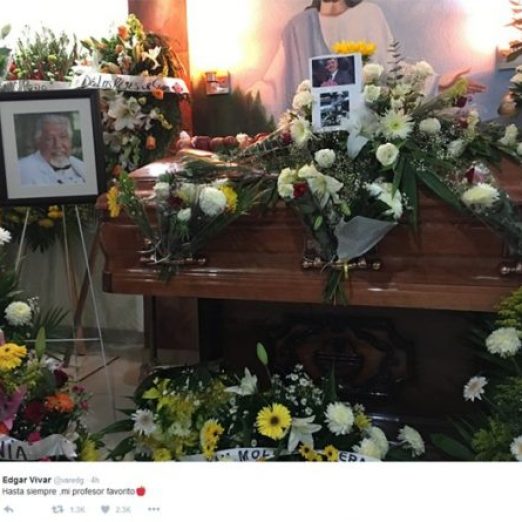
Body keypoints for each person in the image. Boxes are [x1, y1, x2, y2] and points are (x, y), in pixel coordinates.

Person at [250, 0, 486, 118]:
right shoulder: (298, 27)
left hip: (367, 134)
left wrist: (436, 82)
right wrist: (240, 99)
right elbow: (277, 85)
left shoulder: (368, 15)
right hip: (317, 144)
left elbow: (390, 70)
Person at [18, 114, 86, 186]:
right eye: (49, 138)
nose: (58, 145)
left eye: (63, 137)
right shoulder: (22, 170)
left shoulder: (81, 166)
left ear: (70, 140)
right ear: (38, 142)